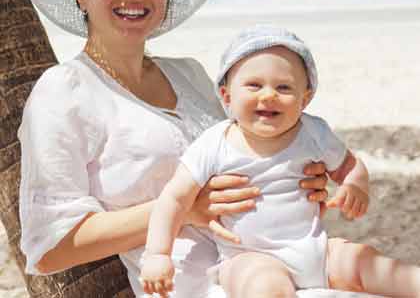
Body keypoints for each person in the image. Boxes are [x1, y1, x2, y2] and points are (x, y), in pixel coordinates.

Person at [18, 0, 329, 297]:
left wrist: (297, 172)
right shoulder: (63, 92)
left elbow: (246, 150)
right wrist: (184, 207)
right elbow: (50, 248)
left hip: (279, 263)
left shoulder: (190, 75)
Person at [141, 25, 420, 298]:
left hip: (317, 251)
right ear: (226, 96)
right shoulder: (214, 143)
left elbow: (349, 165)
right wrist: (157, 254)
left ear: (305, 99)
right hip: (247, 258)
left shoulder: (314, 132)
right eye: (254, 85)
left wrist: (355, 185)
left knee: (367, 261)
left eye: (284, 87)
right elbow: (174, 199)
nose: (268, 95)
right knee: (265, 286)